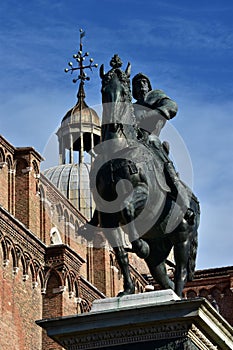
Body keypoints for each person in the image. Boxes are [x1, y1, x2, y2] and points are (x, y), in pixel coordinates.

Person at [132, 73, 194, 224]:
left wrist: (150, 115)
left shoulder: (156, 96)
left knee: (166, 167)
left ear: (149, 86)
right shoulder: (131, 107)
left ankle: (183, 204)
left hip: (151, 140)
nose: (141, 85)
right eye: (137, 83)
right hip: (134, 143)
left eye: (144, 82)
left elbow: (172, 107)